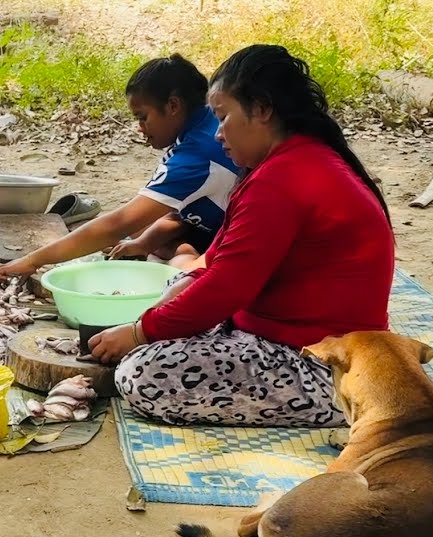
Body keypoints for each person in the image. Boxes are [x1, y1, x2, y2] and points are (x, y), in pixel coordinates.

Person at [89, 44, 395, 428]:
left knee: (141, 374)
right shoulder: (288, 164)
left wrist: (140, 332)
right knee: (179, 288)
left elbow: (227, 288)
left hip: (327, 368)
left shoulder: (283, 180)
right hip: (316, 341)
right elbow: (217, 261)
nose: (218, 134)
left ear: (262, 109)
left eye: (222, 117)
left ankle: (342, 406)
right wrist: (166, 305)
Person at [0, 54, 238, 279]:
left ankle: (179, 262)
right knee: (143, 226)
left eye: (143, 117)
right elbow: (175, 214)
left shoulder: (198, 153)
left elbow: (117, 224)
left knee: (175, 268)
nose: (140, 127)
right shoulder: (203, 124)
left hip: (233, 241)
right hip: (210, 225)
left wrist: (34, 260)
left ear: (173, 106)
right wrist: (143, 243)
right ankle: (174, 252)